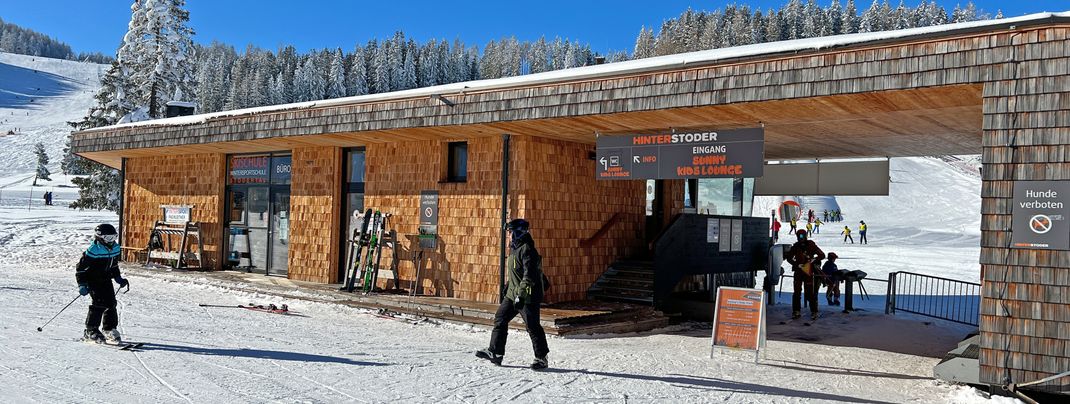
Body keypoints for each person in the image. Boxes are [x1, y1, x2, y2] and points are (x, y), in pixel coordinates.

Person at [476, 219, 549, 370]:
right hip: (513, 293)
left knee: (532, 326)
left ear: (518, 233)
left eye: (510, 232)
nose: (508, 235)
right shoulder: (515, 248)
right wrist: (507, 286)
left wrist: (521, 295)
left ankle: (541, 357)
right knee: (500, 318)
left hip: (527, 295)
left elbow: (529, 276)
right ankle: (495, 352)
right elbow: (516, 273)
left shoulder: (528, 250)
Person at [75, 224, 129, 344]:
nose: (112, 241)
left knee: (111, 303)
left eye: (114, 237)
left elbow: (113, 265)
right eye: (108, 238)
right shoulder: (93, 250)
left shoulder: (115, 248)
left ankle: (108, 329)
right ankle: (90, 330)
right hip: (92, 280)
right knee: (99, 303)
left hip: (105, 279)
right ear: (100, 237)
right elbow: (80, 269)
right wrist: (82, 284)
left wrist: (118, 278)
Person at [786, 229, 825, 320]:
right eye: (799, 236)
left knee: (809, 293)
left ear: (805, 236)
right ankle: (796, 311)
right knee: (797, 293)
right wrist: (797, 264)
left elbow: (822, 255)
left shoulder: (811, 244)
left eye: (802, 236)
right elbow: (789, 258)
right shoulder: (796, 246)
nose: (801, 238)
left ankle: (814, 311)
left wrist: (813, 260)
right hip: (799, 271)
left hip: (807, 271)